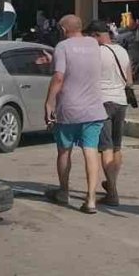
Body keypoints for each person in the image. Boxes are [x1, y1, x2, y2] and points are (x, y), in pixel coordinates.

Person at [43, 15, 109, 214]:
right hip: (94, 109)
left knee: (64, 151)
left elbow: (59, 76)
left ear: (63, 30)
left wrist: (49, 102)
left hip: (69, 110)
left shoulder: (62, 47)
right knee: (90, 151)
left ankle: (64, 192)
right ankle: (90, 199)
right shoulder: (93, 44)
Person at [88, 20, 131, 207]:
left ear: (96, 35)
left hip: (103, 102)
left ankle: (112, 191)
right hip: (121, 101)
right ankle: (112, 184)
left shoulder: (96, 53)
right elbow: (129, 81)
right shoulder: (122, 51)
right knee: (117, 146)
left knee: (105, 147)